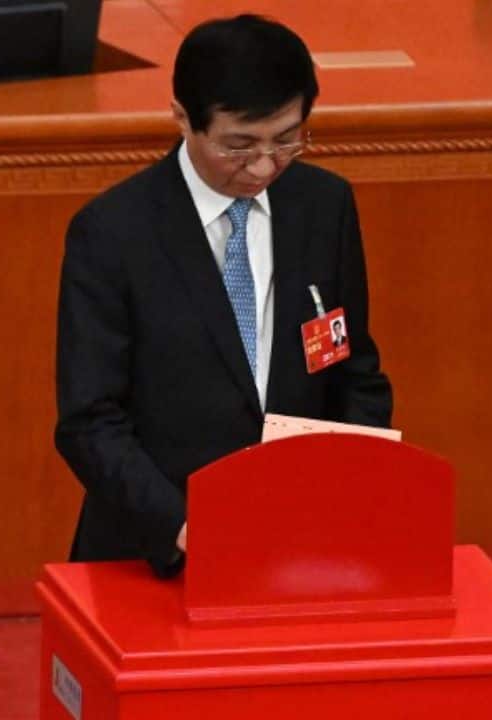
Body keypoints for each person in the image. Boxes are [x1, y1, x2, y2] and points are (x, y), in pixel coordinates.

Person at [54, 14, 392, 577]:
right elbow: (90, 422)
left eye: (288, 139)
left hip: (298, 548)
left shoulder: (323, 206)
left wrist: (343, 495)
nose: (264, 166)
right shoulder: (113, 232)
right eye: (239, 145)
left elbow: (352, 371)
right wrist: (186, 529)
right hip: (152, 552)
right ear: (183, 119)